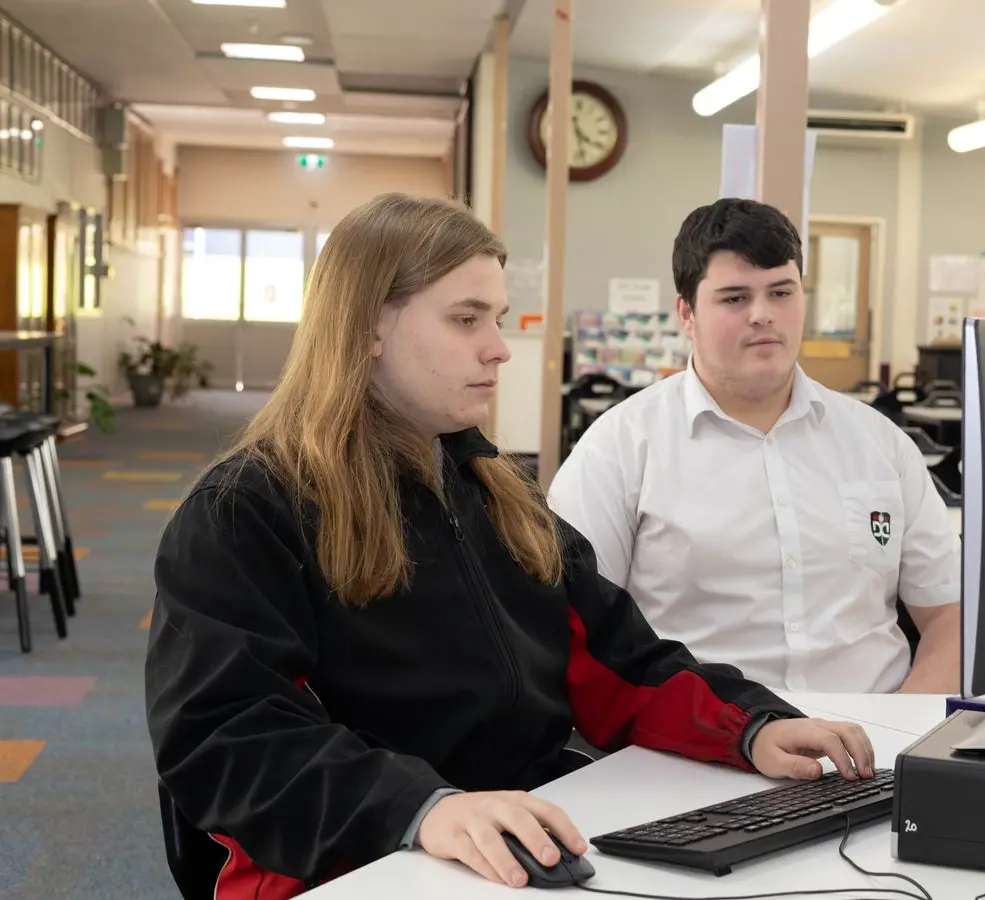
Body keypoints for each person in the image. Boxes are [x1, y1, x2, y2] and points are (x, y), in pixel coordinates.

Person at [143, 193, 876, 900]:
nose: (499, 350)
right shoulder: (246, 513)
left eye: (494, 318)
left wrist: (752, 726)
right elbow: (229, 739)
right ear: (368, 326)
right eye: (467, 320)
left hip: (514, 834)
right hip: (351, 858)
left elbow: (623, 660)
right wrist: (424, 808)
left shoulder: (496, 492)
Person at [548, 198, 961, 695]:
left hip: (873, 747)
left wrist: (903, 744)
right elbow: (578, 634)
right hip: (699, 748)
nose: (763, 315)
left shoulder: (880, 445)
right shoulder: (617, 450)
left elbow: (948, 615)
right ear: (686, 312)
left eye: (781, 292)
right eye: (734, 298)